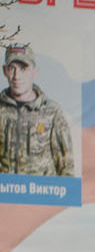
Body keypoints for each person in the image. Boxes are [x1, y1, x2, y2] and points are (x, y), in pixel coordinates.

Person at [0, 44, 73, 177]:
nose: (17, 76)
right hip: (5, 194)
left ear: (35, 72)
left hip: (41, 194)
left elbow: (66, 165)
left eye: (23, 69)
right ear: (5, 71)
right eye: (12, 69)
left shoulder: (52, 112)